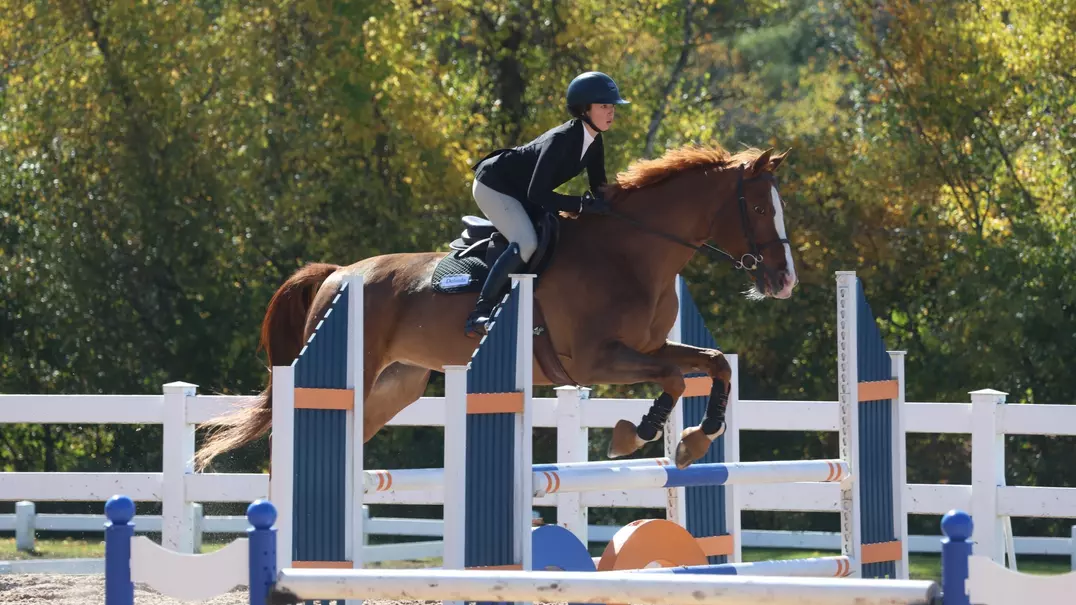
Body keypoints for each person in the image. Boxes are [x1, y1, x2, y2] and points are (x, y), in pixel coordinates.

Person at [464, 71, 629, 337]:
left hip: (521, 191)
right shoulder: (560, 140)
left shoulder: (594, 142)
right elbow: (538, 194)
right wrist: (580, 205)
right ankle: (479, 314)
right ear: (584, 110)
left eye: (612, 106)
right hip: (494, 184)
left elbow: (599, 188)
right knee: (527, 242)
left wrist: (623, 208)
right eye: (603, 106)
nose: (611, 112)